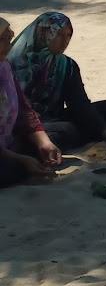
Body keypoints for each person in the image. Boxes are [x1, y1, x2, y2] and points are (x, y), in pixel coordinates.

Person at [5, 12, 106, 150]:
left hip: (54, 118)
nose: (65, 41)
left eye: (68, 35)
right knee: (65, 130)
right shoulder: (12, 63)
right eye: (59, 35)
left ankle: (93, 133)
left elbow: (79, 103)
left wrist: (104, 131)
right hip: (23, 124)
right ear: (44, 33)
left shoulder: (66, 65)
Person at [0, 18, 63, 188]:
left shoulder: (4, 66)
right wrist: (21, 160)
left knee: (55, 138)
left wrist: (43, 141)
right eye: (2, 38)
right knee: (8, 171)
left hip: (8, 141)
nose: (10, 39)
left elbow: (23, 108)